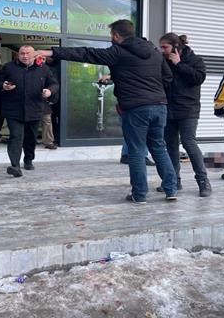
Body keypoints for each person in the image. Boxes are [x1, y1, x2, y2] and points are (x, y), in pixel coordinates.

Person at [38, 19, 178, 204]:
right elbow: (167, 77)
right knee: (159, 147)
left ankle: (140, 194)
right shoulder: (154, 52)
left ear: (117, 36)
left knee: (136, 151)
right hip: (159, 106)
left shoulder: (118, 52)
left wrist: (50, 52)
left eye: (111, 35)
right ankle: (171, 190)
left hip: (135, 108)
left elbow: (86, 54)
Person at [157, 33, 211, 197]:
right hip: (168, 108)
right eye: (161, 47)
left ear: (176, 47)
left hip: (188, 109)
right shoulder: (162, 61)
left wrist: (179, 64)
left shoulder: (195, 60)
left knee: (189, 142)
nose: (162, 50)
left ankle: (203, 181)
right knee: (171, 146)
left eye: (165, 47)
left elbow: (198, 78)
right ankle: (174, 181)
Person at [0, 45, 58, 177]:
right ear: (18, 54)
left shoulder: (43, 69)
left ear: (34, 55)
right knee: (16, 137)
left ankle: (28, 160)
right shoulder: (9, 67)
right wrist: (3, 86)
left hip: (35, 109)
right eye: (22, 53)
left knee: (30, 138)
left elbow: (54, 83)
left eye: (27, 53)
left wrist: (49, 91)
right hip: (13, 109)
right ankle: (15, 166)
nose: (24, 56)